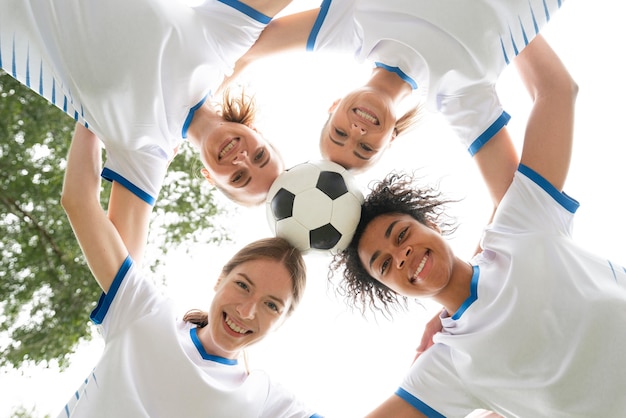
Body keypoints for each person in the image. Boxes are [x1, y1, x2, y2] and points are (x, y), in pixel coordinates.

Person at [328, 34, 626, 416]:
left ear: (431, 224)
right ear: (392, 289)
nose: (401, 256)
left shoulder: (519, 227)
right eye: (384, 265)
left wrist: (498, 20)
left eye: (401, 235)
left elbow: (556, 91)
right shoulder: (447, 367)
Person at [58, 123, 321, 417]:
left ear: (282, 320)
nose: (246, 311)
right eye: (243, 286)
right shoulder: (144, 311)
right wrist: (94, 111)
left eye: (271, 305)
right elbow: (78, 201)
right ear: (220, 278)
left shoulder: (265, 401)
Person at [224, 0, 564, 180]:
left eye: (340, 132)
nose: (356, 131)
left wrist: (189, 115)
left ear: (335, 103)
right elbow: (509, 201)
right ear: (391, 139)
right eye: (365, 148)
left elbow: (246, 49)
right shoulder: (459, 98)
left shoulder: (349, 28)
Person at [0, 0, 288, 207]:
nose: (242, 159)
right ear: (257, 132)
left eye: (239, 177)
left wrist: (97, 119)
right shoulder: (220, 47)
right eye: (260, 156)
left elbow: (124, 266)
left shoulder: (147, 152)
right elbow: (329, 28)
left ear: (210, 178)